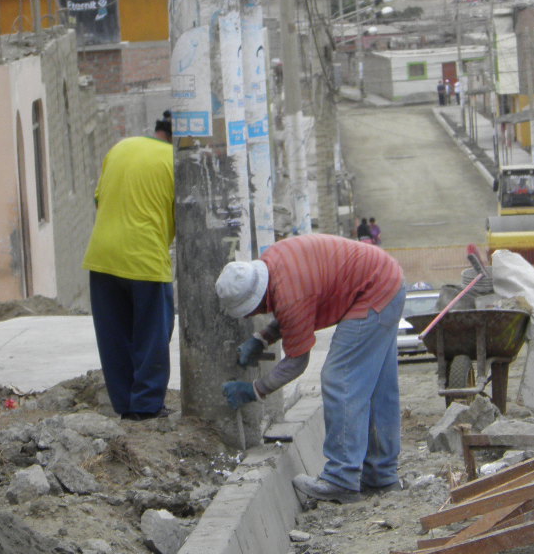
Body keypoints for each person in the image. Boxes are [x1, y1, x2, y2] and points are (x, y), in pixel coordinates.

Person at [215, 234, 406, 503]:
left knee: (341, 379)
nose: (253, 316)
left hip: (373, 291)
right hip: (387, 280)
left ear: (256, 301)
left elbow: (296, 361)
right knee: (377, 388)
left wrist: (255, 390)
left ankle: (341, 479)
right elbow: (296, 309)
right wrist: (262, 339)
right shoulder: (274, 262)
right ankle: (382, 476)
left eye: (251, 312)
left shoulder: (289, 293)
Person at [81, 111, 175, 420]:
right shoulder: (177, 162)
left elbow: (99, 199)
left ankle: (124, 404)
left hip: (103, 255)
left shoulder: (120, 147)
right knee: (152, 336)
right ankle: (146, 408)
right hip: (145, 258)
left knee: (115, 337)